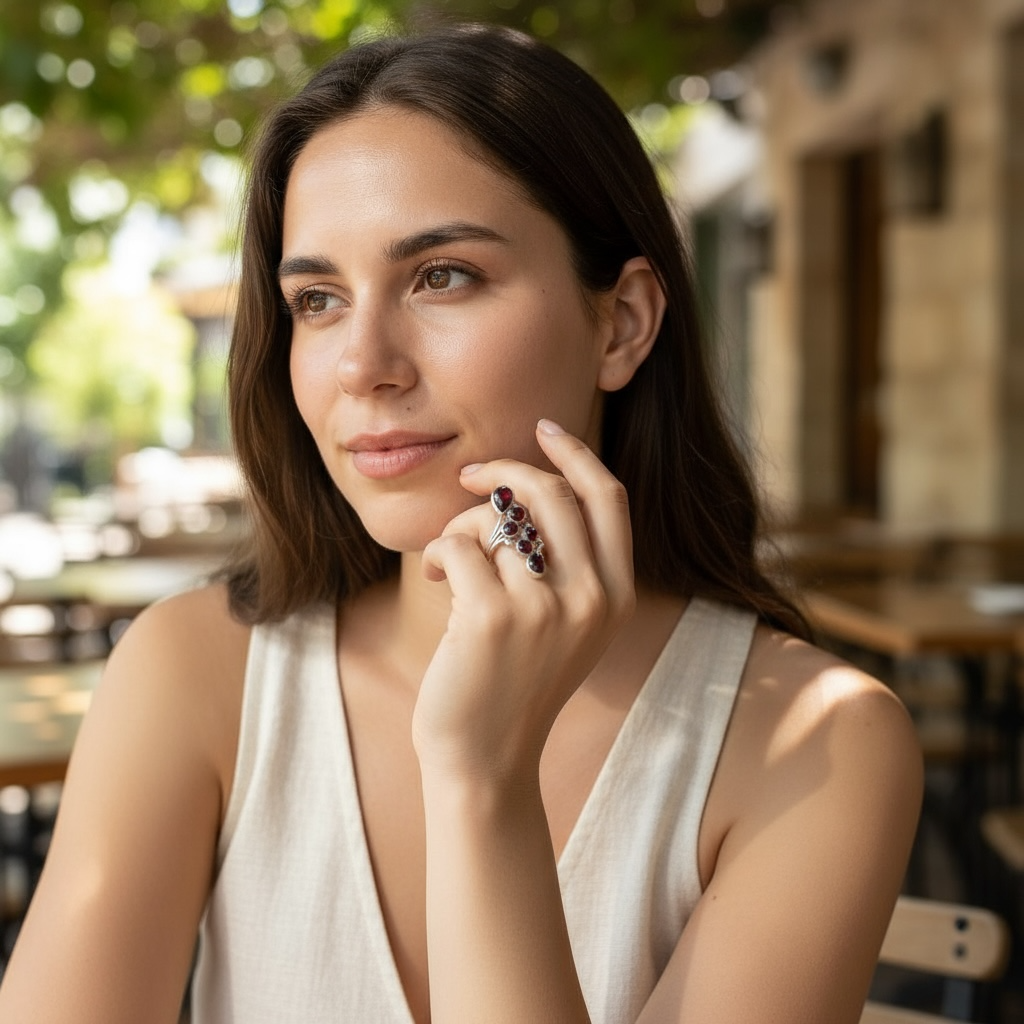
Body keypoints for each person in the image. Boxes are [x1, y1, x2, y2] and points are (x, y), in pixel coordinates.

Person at [0, 23, 922, 1024]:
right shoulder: (194, 671)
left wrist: (482, 777)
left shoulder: (817, 743)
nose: (363, 363)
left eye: (441, 276)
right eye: (316, 299)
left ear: (620, 323)